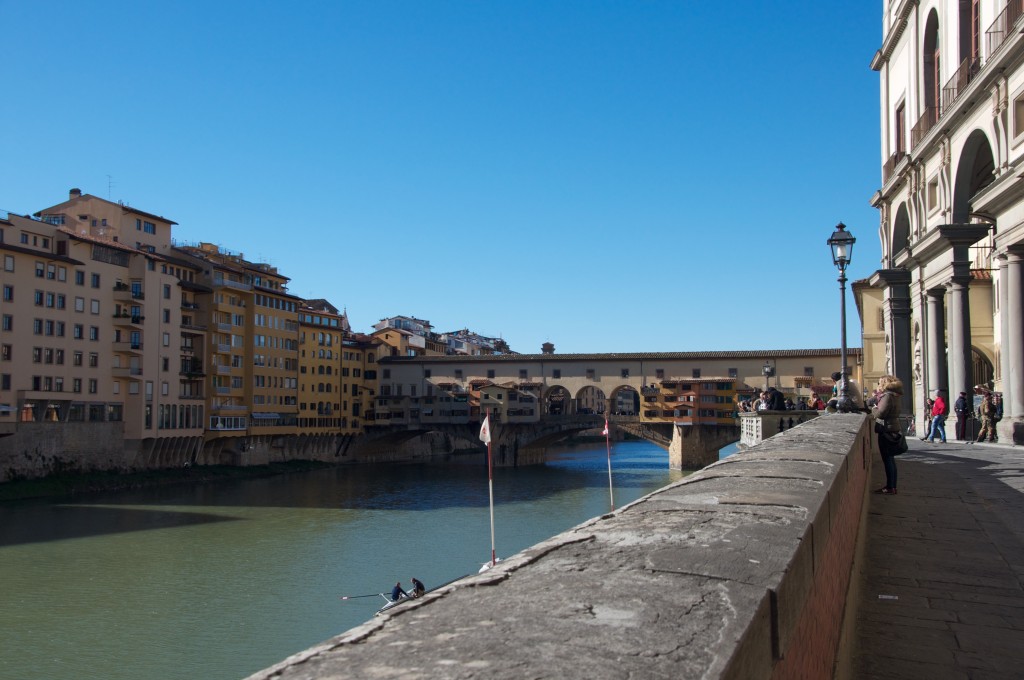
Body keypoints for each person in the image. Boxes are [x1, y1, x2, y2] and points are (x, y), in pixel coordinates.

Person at [871, 374, 904, 495]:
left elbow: (880, 414)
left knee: (888, 459)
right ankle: (892, 486)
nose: (878, 385)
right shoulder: (896, 395)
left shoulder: (887, 396)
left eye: (880, 382)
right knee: (890, 459)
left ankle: (890, 487)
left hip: (886, 430)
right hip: (892, 427)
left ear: (885, 383)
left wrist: (873, 408)